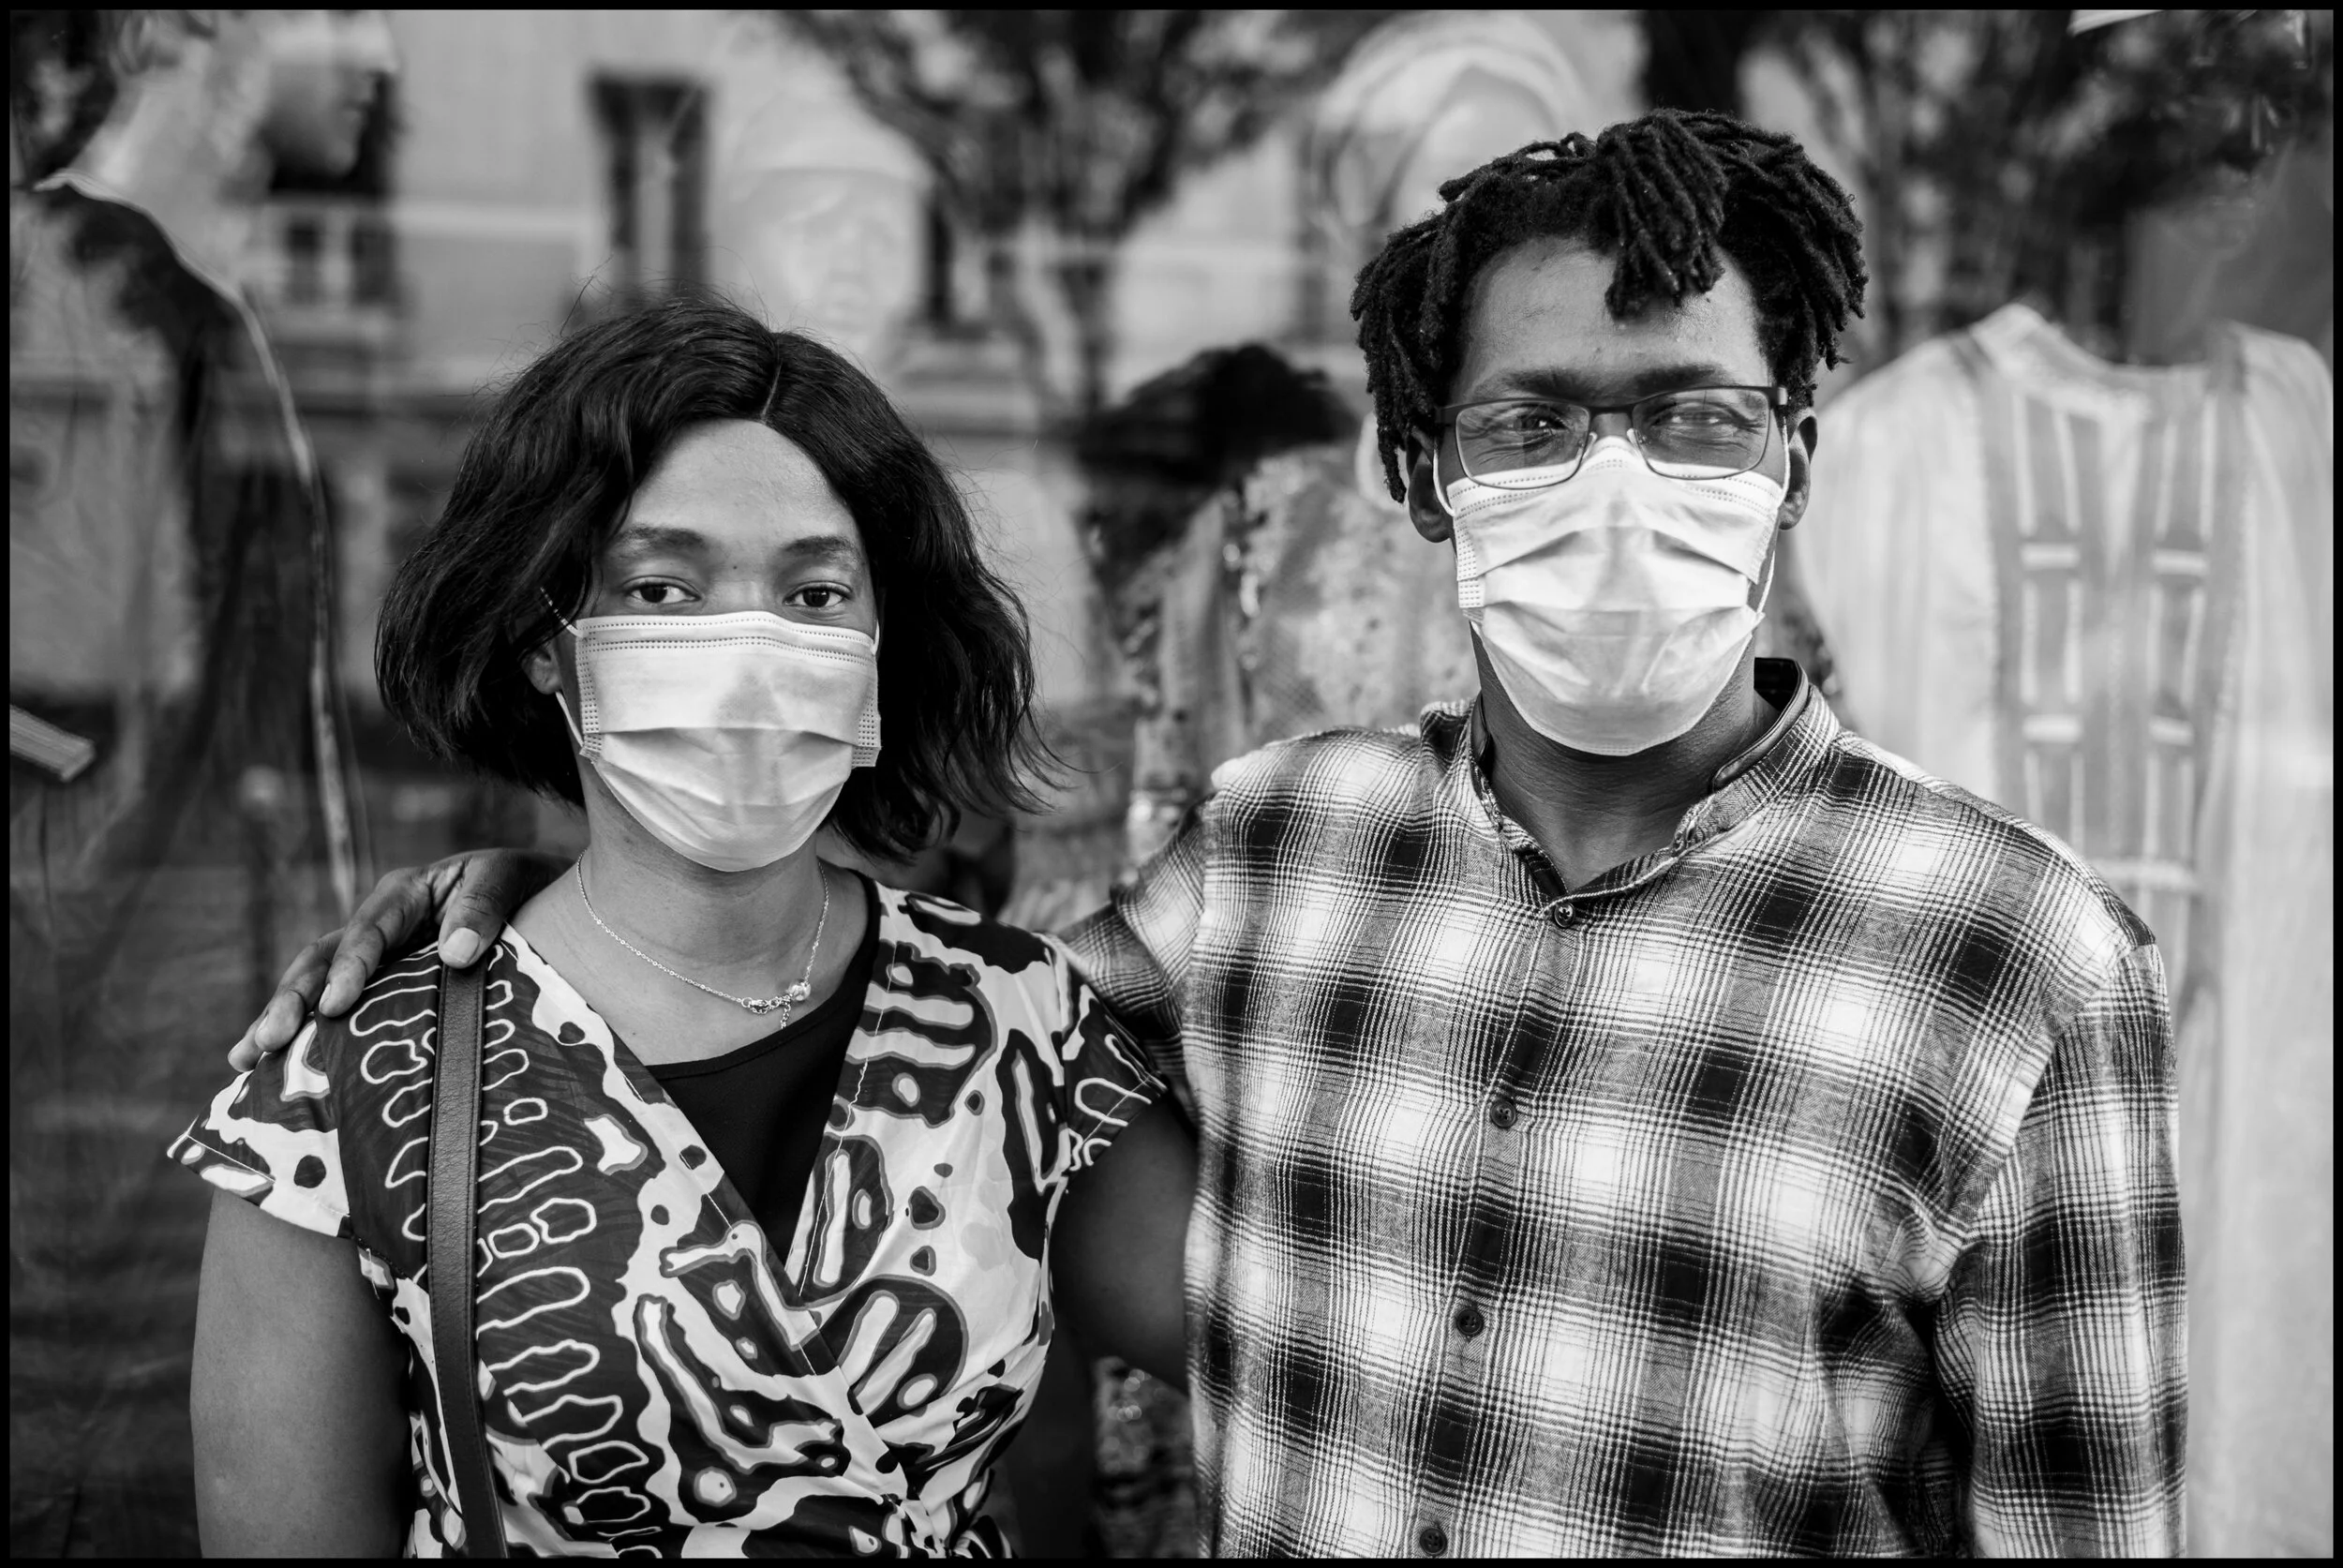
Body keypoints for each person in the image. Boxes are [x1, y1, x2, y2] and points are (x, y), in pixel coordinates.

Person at [242, 111, 2185, 1556]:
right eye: (1530, 427)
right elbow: (838, 998)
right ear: (1423, 480)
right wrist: (543, 895)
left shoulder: (2012, 955)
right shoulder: (1270, 853)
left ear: (1790, 459)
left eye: (1693, 418)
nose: (1618, 489)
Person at [178, 297, 1190, 1555]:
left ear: (880, 644)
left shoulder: (1020, 1017)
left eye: (816, 591)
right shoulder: (353, 1074)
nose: (750, 645)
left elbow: (1321, 1352)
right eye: (663, 584)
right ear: (550, 643)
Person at [1795, 11, 2330, 1554]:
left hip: (2255, 1104)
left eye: (2262, 138)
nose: (2240, 182)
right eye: (2197, 134)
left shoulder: (2301, 419)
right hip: (1974, 1128)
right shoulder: (1891, 448)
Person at [7, 10, 392, 1552]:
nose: (370, 48)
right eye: (328, 12)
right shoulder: (89, 292)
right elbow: (72, 698)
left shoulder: (140, 293)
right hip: (118, 1079)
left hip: (154, 1046)